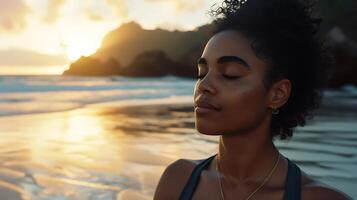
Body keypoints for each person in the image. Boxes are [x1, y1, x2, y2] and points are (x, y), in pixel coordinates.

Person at [154, 0, 352, 199]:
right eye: (202, 73)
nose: (203, 86)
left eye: (230, 74)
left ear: (278, 94)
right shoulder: (178, 180)